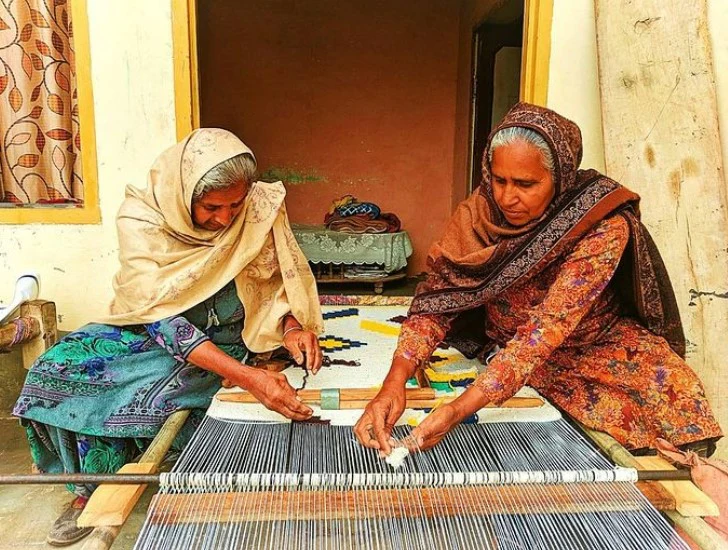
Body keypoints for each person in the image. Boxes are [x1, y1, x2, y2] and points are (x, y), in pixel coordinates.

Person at [354, 103, 722, 457]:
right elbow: (439, 299)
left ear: (560, 176)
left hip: (594, 343)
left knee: (677, 399)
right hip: (513, 344)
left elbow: (548, 328)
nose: (507, 197)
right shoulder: (478, 214)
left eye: (526, 184)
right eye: (499, 180)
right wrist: (393, 382)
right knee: (546, 395)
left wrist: (459, 410)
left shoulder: (601, 224)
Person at [13, 128, 324, 546]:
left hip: (235, 339)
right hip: (156, 334)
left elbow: (272, 285)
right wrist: (251, 380)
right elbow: (160, 318)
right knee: (60, 367)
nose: (226, 218)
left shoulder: (259, 209)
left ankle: (181, 468)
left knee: (177, 393)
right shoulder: (142, 218)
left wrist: (290, 329)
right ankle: (90, 490)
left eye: (235, 204)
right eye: (212, 207)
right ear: (184, 195)